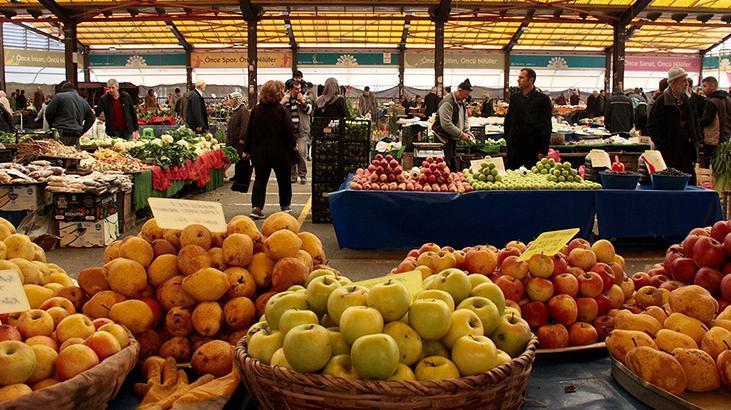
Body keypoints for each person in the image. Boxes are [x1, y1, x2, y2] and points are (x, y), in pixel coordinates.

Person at [244, 80, 296, 219]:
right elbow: (289, 132)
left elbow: (249, 131)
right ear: (278, 93)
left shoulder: (256, 110)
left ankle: (256, 208)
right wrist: (292, 147)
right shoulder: (282, 111)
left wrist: (247, 149)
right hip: (280, 153)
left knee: (260, 180)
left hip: (260, 152)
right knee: (283, 180)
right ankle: (285, 206)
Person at [646, 67, 702, 183]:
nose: (687, 83)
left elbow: (695, 121)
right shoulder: (662, 101)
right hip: (668, 152)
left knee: (690, 181)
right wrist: (662, 142)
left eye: (686, 80)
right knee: (669, 182)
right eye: (683, 81)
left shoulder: (689, 100)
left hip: (687, 149)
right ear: (673, 83)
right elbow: (652, 126)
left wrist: (697, 138)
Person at [504, 68, 552, 169]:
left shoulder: (543, 99)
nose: (518, 80)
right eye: (518, 77)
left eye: (521, 78)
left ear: (531, 80)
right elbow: (508, 120)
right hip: (514, 147)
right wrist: (508, 138)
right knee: (510, 176)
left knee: (532, 179)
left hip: (532, 147)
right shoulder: (515, 98)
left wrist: (543, 150)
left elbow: (546, 126)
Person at [431, 79, 475, 170]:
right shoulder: (448, 102)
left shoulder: (461, 101)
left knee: (452, 163)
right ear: (459, 90)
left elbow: (464, 117)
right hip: (443, 139)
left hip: (452, 138)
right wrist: (461, 134)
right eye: (465, 94)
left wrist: (466, 130)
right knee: (444, 166)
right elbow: (446, 124)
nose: (466, 97)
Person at [282, 80, 313, 184]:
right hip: (289, 132)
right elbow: (279, 112)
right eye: (296, 89)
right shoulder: (286, 99)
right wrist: (283, 102)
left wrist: (302, 101)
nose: (298, 91)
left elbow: (309, 111)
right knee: (291, 153)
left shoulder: (305, 98)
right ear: (290, 89)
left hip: (302, 131)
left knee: (301, 152)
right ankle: (292, 175)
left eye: (299, 89)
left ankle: (303, 175)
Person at [45, 82, 95, 146]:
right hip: (76, 136)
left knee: (59, 154)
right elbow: (92, 118)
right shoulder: (83, 101)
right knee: (73, 154)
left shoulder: (59, 96)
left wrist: (52, 125)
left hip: (61, 134)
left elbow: (48, 112)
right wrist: (81, 131)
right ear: (75, 90)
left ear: (63, 90)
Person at [699, 76, 731, 166]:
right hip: (725, 138)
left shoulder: (711, 102)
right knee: (721, 166)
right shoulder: (727, 98)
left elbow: (707, 120)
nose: (703, 89)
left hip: (712, 138)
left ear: (712, 86)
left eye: (705, 86)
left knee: (709, 164)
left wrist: (696, 122)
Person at [226, 92, 251, 192]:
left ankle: (242, 177)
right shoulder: (236, 110)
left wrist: (242, 137)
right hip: (235, 140)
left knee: (243, 158)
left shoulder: (243, 110)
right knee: (238, 158)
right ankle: (238, 175)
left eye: (231, 99)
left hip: (240, 140)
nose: (230, 102)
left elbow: (245, 125)